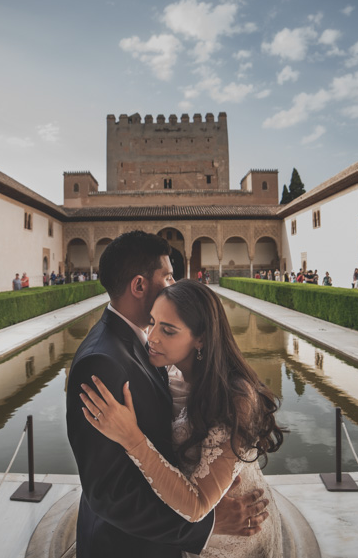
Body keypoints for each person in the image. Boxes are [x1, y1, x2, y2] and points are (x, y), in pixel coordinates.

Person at [66, 231, 269, 558]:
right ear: (139, 285)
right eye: (169, 275)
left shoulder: (145, 344)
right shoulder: (103, 362)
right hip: (128, 548)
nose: (175, 284)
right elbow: (110, 493)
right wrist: (208, 523)